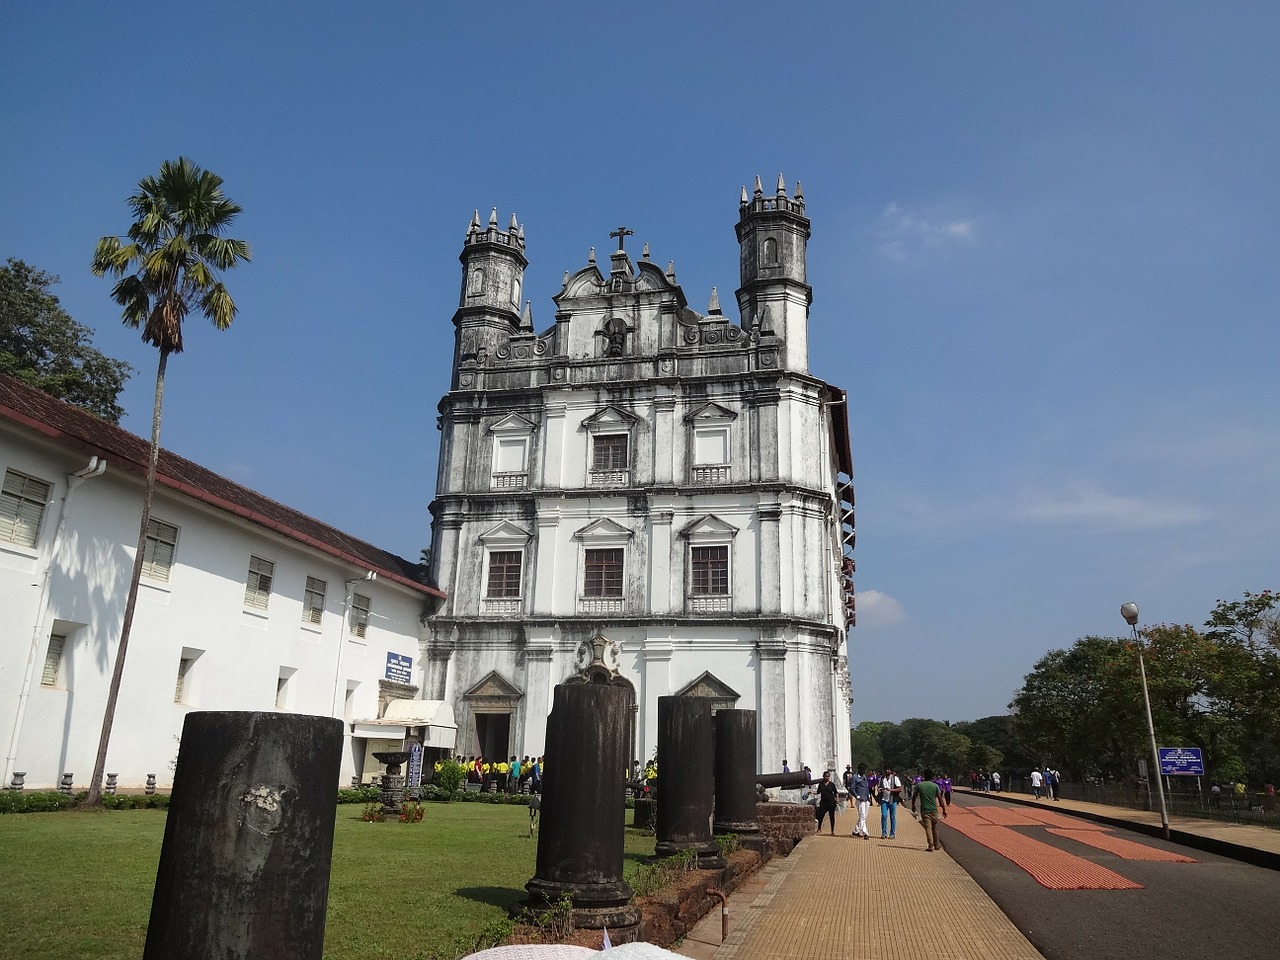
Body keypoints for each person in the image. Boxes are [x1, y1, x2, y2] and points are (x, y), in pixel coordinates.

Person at [911, 767, 949, 852]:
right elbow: (940, 799)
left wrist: (913, 806)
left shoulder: (919, 785)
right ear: (932, 777)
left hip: (925, 810)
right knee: (934, 827)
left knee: (928, 828)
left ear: (924, 776)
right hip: (934, 810)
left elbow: (914, 797)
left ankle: (930, 845)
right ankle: (936, 844)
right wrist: (944, 810)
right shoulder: (935, 786)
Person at [878, 765, 903, 839]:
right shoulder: (882, 778)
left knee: (892, 817)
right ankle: (884, 833)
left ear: (891, 771)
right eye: (886, 769)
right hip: (884, 800)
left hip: (893, 800)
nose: (887, 771)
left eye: (888, 769)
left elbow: (899, 789)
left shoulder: (895, 778)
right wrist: (880, 789)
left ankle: (892, 833)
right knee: (884, 816)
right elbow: (879, 787)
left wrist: (891, 790)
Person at [849, 762, 872, 839]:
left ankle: (855, 831)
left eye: (864, 770)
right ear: (859, 769)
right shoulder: (855, 777)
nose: (864, 771)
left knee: (864, 816)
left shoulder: (864, 777)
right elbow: (852, 789)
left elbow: (866, 787)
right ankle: (865, 833)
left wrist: (869, 796)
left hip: (866, 799)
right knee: (862, 816)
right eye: (862, 770)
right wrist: (857, 796)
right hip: (860, 799)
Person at [815, 770, 839, 834]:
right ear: (823, 777)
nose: (827, 777)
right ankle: (819, 828)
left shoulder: (832, 784)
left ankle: (832, 830)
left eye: (828, 776)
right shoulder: (821, 784)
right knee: (821, 815)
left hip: (831, 802)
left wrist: (837, 799)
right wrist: (812, 792)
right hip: (823, 802)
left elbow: (836, 792)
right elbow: (818, 792)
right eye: (826, 776)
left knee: (832, 817)